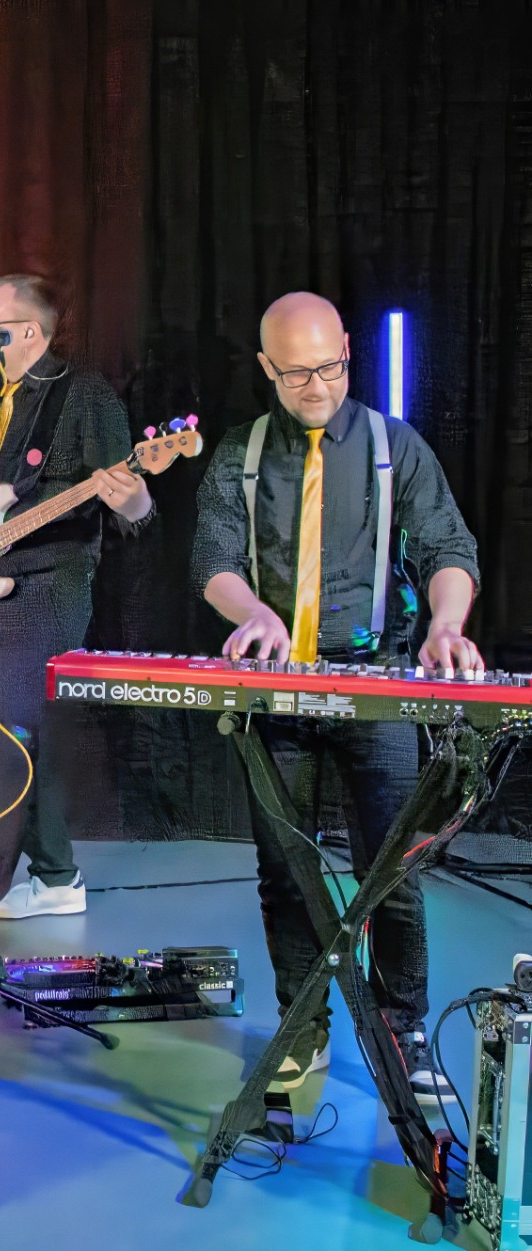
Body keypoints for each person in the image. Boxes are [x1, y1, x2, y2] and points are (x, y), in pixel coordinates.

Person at [191, 291, 480, 1101]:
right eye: (296, 373)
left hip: (375, 681)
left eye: (330, 366)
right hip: (279, 692)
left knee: (392, 869)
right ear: (266, 367)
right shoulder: (242, 453)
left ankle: (404, 1030)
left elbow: (450, 547)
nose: (317, 385)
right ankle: (303, 1025)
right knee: (287, 870)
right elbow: (213, 558)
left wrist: (445, 625)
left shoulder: (395, 446)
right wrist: (252, 613)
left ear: (349, 349)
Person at [0, 274, 152, 948]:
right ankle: (57, 876)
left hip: (48, 587)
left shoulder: (86, 397)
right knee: (0, 737)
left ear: (29, 335)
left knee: (7, 734)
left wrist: (134, 497)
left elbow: (130, 513)